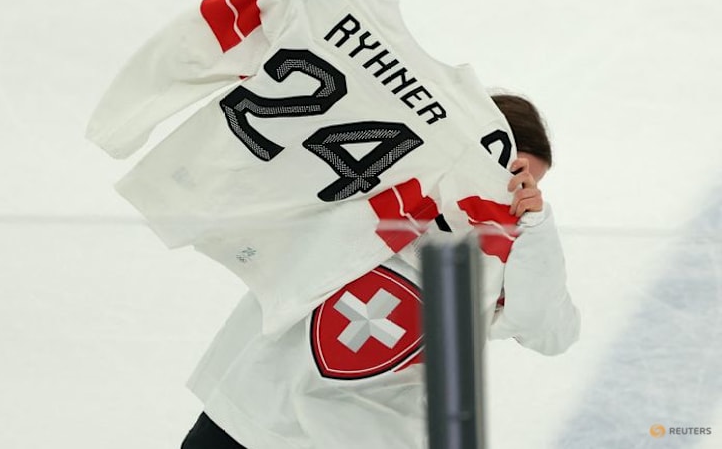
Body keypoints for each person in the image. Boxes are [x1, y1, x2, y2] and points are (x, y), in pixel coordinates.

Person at [180, 93, 580, 449]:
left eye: (531, 184)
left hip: (360, 435)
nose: (514, 190)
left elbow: (549, 329)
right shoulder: (373, 171)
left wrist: (536, 226)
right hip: (255, 405)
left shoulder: (509, 253)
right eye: (512, 171)